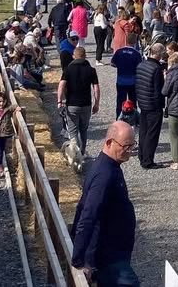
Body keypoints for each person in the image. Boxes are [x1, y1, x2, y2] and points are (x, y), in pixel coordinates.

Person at [71, 122, 140, 286]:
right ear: (109, 142)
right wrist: (79, 259)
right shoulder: (104, 175)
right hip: (109, 256)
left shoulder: (110, 166)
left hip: (115, 251)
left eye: (133, 145)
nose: (130, 151)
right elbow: (88, 214)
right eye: (126, 146)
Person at [58, 46, 101, 157]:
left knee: (73, 131)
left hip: (72, 104)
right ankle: (82, 152)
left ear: (74, 56)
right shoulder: (91, 70)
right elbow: (96, 88)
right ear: (85, 56)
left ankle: (75, 154)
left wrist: (59, 100)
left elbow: (61, 85)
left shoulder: (68, 69)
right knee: (83, 130)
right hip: (86, 104)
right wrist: (96, 103)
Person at [0, 91, 21, 178]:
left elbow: (13, 106)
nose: (1, 103)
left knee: (1, 150)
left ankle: (0, 165)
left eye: (3, 101)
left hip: (3, 134)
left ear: (5, 101)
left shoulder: (7, 110)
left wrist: (17, 107)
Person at [110, 33, 142, 118]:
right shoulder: (136, 53)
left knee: (120, 101)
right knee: (133, 101)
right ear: (135, 41)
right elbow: (140, 67)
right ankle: (134, 118)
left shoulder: (119, 52)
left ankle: (119, 118)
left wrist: (120, 67)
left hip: (121, 80)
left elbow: (112, 63)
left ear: (126, 40)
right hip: (133, 81)